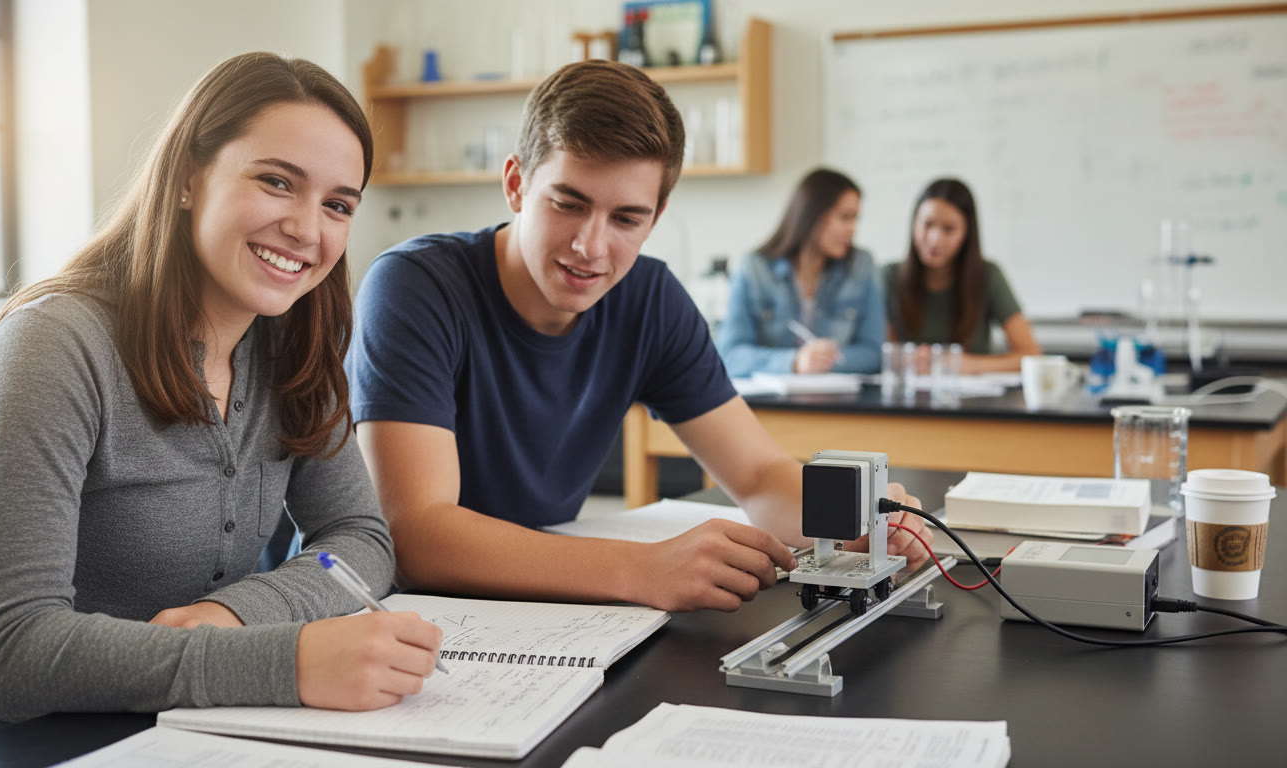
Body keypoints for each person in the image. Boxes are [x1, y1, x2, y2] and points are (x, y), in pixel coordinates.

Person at [0, 52, 443, 743]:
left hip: (181, 728)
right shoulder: (53, 345)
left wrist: (237, 613)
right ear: (187, 179)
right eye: (276, 182)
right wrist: (282, 660)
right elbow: (5, 656)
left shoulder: (295, 345)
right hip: (6, 738)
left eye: (337, 205)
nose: (306, 228)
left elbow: (359, 537)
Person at [346, 60, 931, 615]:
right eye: (568, 204)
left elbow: (756, 475)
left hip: (540, 611)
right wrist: (642, 569)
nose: (591, 246)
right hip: (393, 615)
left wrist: (857, 519)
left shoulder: (649, 298)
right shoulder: (414, 287)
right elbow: (417, 534)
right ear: (517, 183)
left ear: (657, 214)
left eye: (626, 219)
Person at [717, 168, 884, 377]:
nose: (853, 229)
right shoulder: (753, 269)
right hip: (774, 405)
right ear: (812, 215)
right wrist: (794, 362)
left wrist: (823, 360)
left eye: (855, 219)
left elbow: (875, 353)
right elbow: (730, 355)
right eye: (845, 217)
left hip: (840, 403)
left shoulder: (862, 266)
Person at [884, 177, 1041, 374]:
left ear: (966, 234)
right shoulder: (888, 277)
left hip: (972, 401)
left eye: (948, 229)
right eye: (927, 224)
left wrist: (967, 364)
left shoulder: (987, 276)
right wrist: (907, 360)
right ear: (914, 223)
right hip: (906, 399)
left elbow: (1031, 354)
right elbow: (883, 354)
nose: (935, 239)